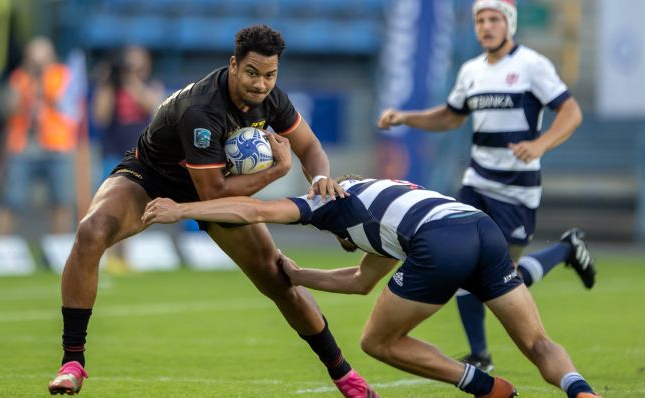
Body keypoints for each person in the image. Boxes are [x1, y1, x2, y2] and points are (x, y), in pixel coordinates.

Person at [47, 25, 376, 397]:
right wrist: (277, 171)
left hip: (214, 182)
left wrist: (318, 177)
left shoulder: (273, 99)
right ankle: (72, 362)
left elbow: (310, 146)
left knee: (279, 280)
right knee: (91, 231)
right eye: (252, 73)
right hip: (152, 177)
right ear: (234, 65)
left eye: (270, 75)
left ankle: (345, 376)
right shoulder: (202, 109)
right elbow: (213, 192)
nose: (260, 84)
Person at [141, 175, 601, 398]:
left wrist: (182, 209)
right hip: (478, 228)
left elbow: (254, 211)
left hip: (439, 240)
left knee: (376, 341)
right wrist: (300, 277)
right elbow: (362, 281)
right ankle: (581, 391)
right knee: (536, 340)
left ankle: (483, 386)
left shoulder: (327, 201)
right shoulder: (380, 208)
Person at [377, 0, 595, 372]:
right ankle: (480, 354)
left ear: (508, 24)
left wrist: (541, 144)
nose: (486, 26)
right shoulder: (471, 70)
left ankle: (564, 250)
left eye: (494, 19)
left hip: (517, 190)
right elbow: (450, 116)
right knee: (464, 262)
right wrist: (406, 117)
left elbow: (571, 112)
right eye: (480, 19)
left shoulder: (532, 65)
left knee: (504, 276)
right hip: (476, 182)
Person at [0, 36, 77, 235]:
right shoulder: (19, 77)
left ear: (51, 56)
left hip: (58, 144)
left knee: (61, 200)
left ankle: (60, 249)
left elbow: (67, 106)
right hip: (24, 144)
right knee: (10, 200)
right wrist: (26, 86)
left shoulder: (63, 75)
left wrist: (42, 84)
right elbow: (9, 110)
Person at [91, 45, 164, 272]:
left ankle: (125, 257)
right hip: (113, 153)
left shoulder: (151, 84)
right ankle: (111, 256)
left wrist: (131, 81)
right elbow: (100, 118)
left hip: (140, 155)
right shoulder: (111, 87)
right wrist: (106, 84)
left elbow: (154, 108)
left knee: (134, 207)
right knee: (110, 207)